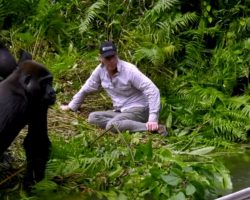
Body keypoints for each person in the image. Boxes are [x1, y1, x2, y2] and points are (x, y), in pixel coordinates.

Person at [60, 41, 168, 136]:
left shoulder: (129, 70)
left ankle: (154, 127)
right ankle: (123, 124)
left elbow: (152, 90)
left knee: (111, 126)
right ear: (101, 58)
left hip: (140, 109)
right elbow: (86, 88)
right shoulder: (100, 71)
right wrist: (71, 106)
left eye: (113, 57)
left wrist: (153, 118)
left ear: (117, 55)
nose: (111, 61)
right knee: (93, 117)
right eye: (107, 58)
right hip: (121, 111)